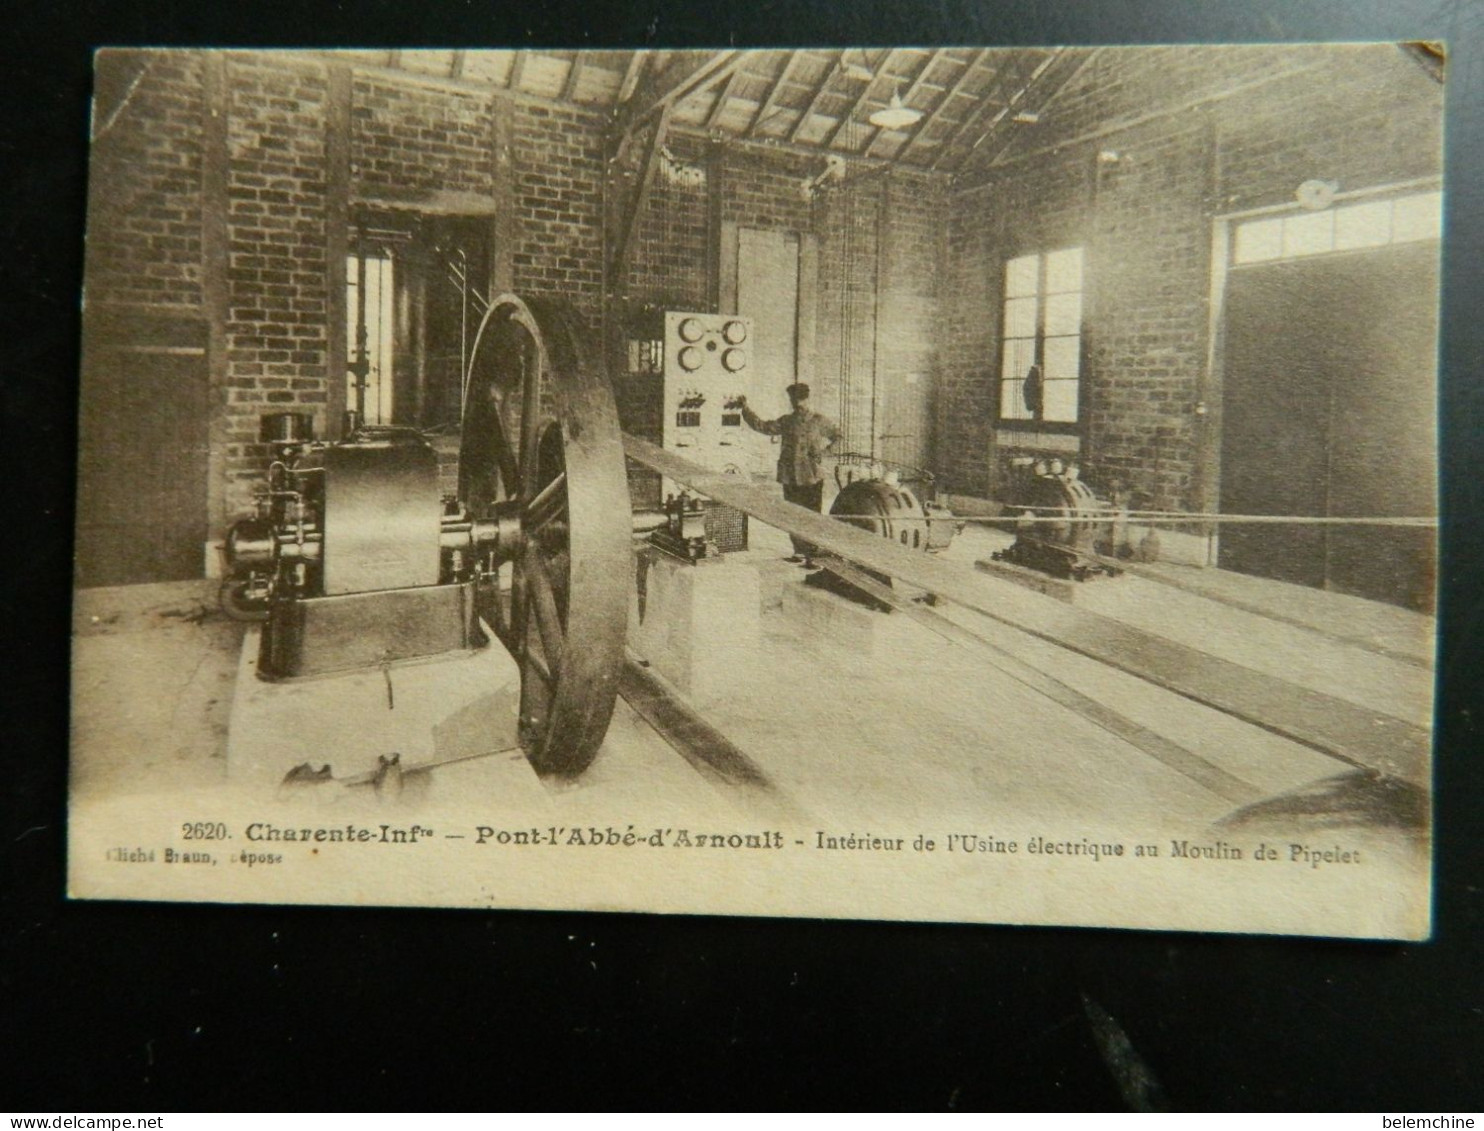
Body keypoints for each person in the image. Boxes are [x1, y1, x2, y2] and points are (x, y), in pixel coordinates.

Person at [739, 382, 841, 566]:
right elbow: (762, 426)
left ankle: (813, 554)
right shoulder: (787, 421)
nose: (797, 403)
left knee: (812, 515)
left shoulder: (819, 420)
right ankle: (799, 551)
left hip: (812, 476)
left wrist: (824, 453)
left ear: (807, 398)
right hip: (790, 476)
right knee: (792, 514)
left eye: (800, 398)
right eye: (794, 399)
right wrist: (746, 409)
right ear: (791, 400)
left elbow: (838, 436)